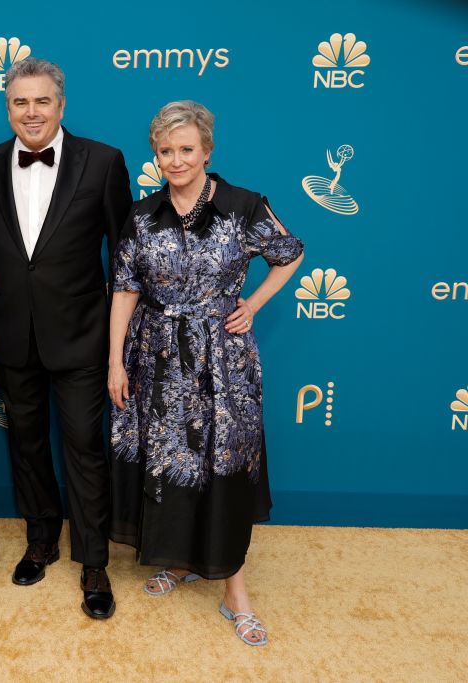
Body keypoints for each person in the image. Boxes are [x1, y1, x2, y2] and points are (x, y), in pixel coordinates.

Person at [107, 100, 304, 645]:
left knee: (219, 465)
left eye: (186, 149)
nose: (176, 160)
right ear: (156, 154)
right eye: (166, 151)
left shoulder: (243, 205)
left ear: (207, 151)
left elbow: (289, 252)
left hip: (221, 361)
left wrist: (255, 304)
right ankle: (179, 558)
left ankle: (234, 593)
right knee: (170, 462)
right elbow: (124, 288)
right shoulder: (143, 215)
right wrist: (114, 360)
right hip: (157, 358)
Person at [0, 57, 131, 619]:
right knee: (27, 444)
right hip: (11, 335)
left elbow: (125, 257)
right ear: (7, 105)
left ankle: (93, 561)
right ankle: (40, 539)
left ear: (62, 104)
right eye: (20, 101)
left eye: (42, 101)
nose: (31, 111)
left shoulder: (104, 161)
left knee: (85, 449)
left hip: (83, 336)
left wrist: (119, 341)